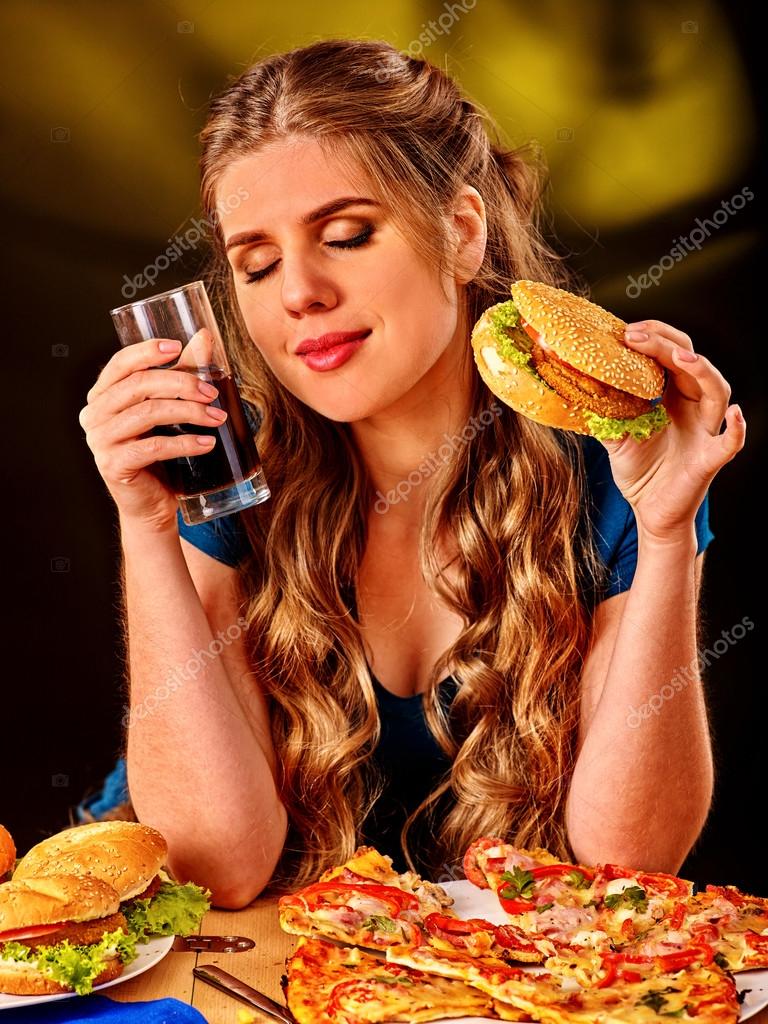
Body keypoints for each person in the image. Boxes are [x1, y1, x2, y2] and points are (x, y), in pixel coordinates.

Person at [78, 38, 745, 909]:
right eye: (258, 264)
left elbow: (630, 860)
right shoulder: (221, 473)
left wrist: (663, 535)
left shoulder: (617, 473)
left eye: (347, 235)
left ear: (462, 232)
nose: (299, 293)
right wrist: (145, 527)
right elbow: (217, 867)